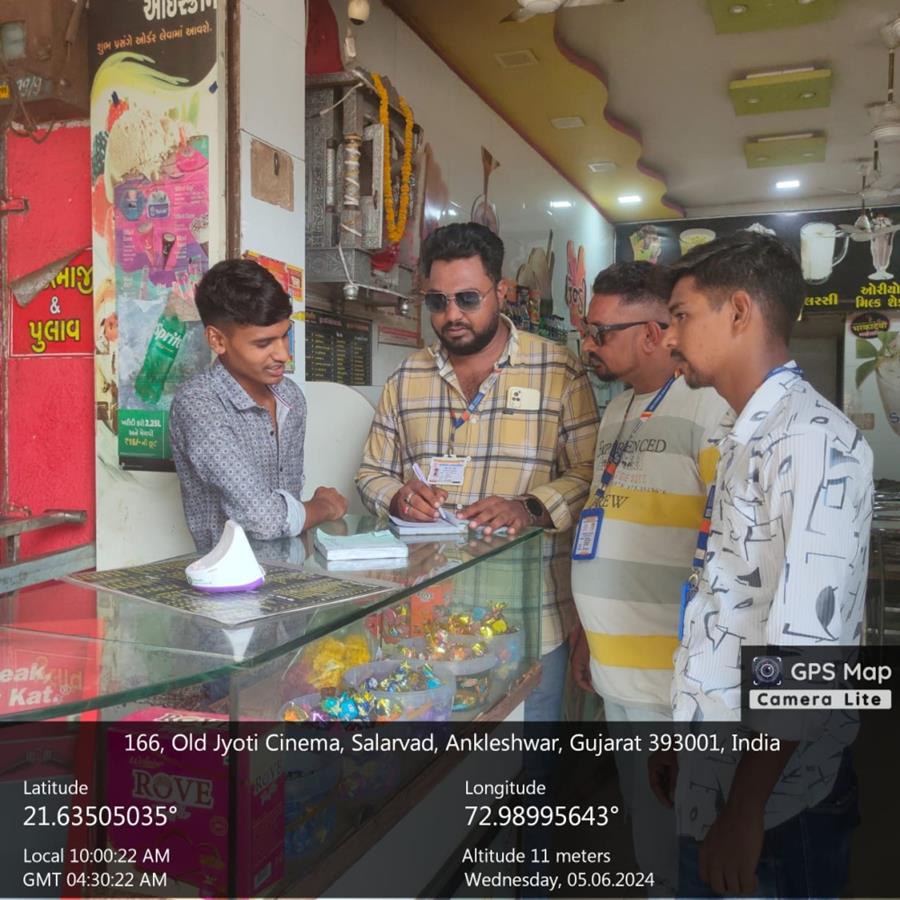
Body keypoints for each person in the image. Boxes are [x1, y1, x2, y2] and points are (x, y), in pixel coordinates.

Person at [649, 231, 873, 897]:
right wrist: (683, 734)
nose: (667, 337)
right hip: (718, 771)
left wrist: (745, 809)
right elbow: (725, 599)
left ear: (739, 312)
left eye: (681, 315)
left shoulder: (809, 441)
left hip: (775, 805)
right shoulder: (743, 433)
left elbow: (808, 651)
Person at [355, 222, 599, 720]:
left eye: (468, 299)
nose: (451, 316)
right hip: (426, 618)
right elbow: (371, 472)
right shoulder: (407, 377)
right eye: (437, 302)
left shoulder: (558, 371)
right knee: (441, 760)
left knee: (525, 761)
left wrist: (530, 508)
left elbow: (590, 474)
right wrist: (399, 498)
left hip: (526, 620)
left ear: (501, 291)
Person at [569, 261, 730, 893]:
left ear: (654, 332)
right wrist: (587, 629)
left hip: (674, 684)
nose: (589, 344)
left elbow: (723, 551)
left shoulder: (711, 407)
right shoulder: (617, 408)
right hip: (617, 674)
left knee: (685, 839)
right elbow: (601, 513)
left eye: (601, 332)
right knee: (648, 828)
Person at [170, 258, 347, 552]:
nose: (283, 355)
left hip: (288, 571)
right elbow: (264, 519)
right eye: (264, 344)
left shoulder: (290, 397)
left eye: (285, 335)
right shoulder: (199, 404)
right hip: (227, 578)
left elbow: (286, 515)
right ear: (217, 340)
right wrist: (324, 506)